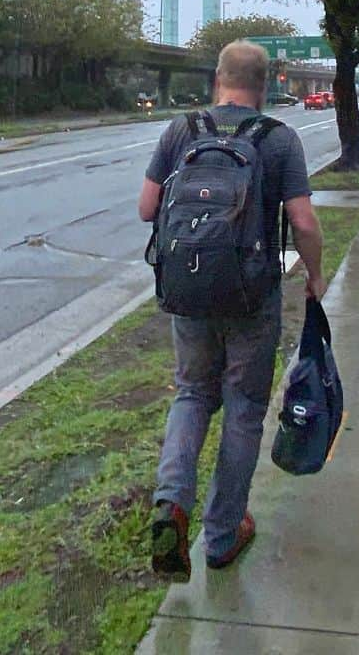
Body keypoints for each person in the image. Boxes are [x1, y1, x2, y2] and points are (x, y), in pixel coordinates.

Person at [138, 40, 326, 581]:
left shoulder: (182, 130)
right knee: (244, 406)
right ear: (265, 86)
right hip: (251, 296)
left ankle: (172, 504)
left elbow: (147, 207)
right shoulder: (278, 138)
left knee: (192, 392)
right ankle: (222, 536)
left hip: (188, 295)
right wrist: (313, 276)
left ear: (218, 78)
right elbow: (305, 223)